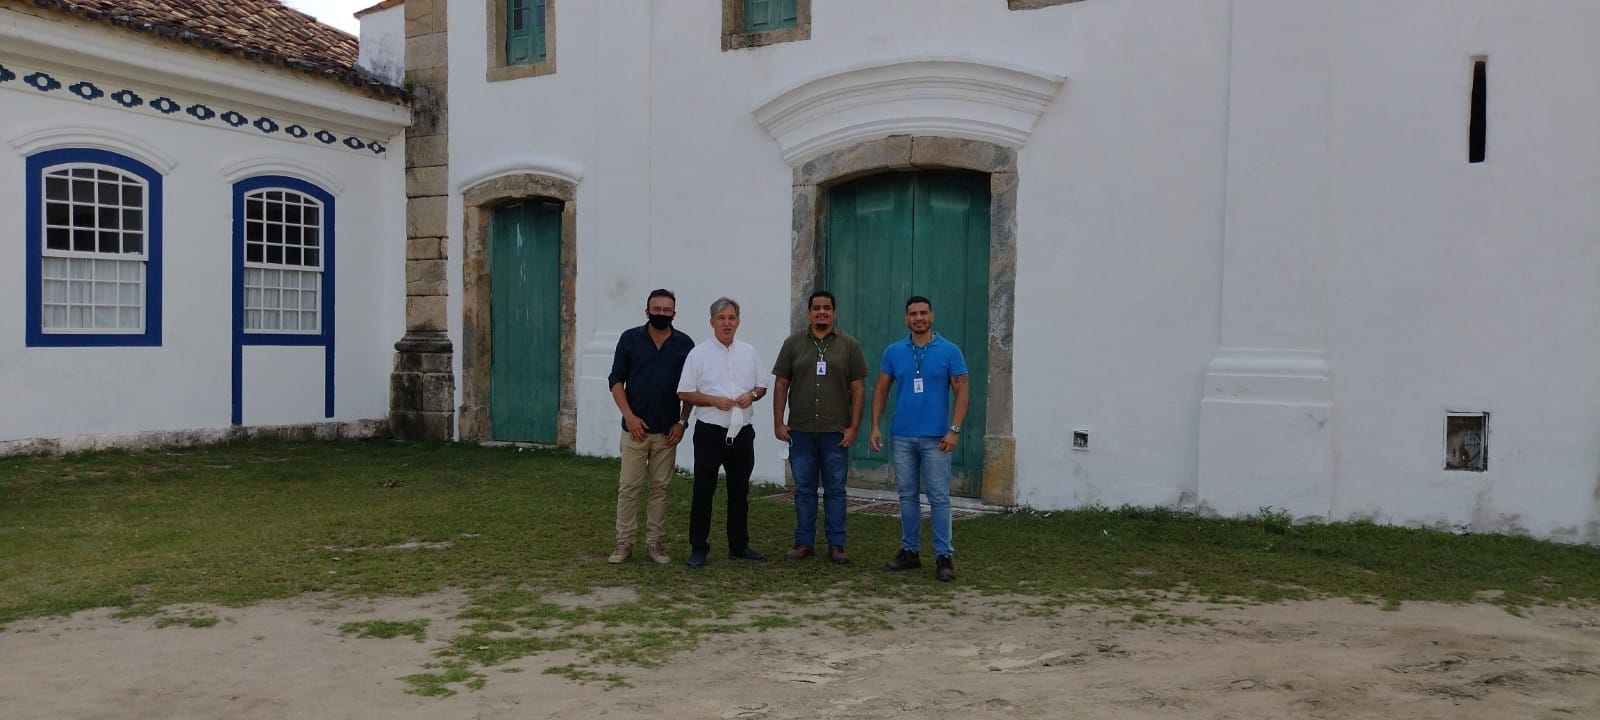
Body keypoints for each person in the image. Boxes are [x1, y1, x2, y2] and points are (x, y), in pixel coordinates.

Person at [868, 295, 969, 582]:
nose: (918, 318)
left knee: (939, 497)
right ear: (906, 319)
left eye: (923, 313)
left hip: (937, 438)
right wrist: (875, 425)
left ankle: (943, 556)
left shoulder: (950, 351)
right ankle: (909, 551)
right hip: (902, 436)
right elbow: (881, 389)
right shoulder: (894, 351)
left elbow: (962, 391)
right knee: (907, 496)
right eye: (913, 314)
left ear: (932, 316)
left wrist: (954, 430)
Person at [772, 290, 867, 565]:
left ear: (834, 313)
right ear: (809, 313)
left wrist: (854, 427)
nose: (822, 312)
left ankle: (837, 544)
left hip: (836, 432)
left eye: (827, 308)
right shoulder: (793, 344)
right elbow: (781, 384)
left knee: (836, 490)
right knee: (804, 489)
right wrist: (779, 422)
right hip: (800, 430)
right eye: (817, 308)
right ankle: (803, 542)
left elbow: (859, 388)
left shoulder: (850, 346)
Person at [677, 297, 769, 568]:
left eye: (731, 318)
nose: (727, 323)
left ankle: (739, 545)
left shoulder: (749, 352)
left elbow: (762, 386)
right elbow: (684, 392)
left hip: (741, 431)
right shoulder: (698, 354)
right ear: (712, 322)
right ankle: (698, 548)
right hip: (709, 432)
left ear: (738, 322)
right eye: (721, 318)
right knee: (703, 490)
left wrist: (751, 395)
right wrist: (712, 400)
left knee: (739, 491)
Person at [607, 289, 695, 565]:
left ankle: (655, 544)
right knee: (629, 488)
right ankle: (624, 543)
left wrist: (682, 422)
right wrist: (629, 417)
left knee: (660, 489)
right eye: (655, 309)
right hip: (635, 430)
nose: (661, 314)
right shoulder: (630, 339)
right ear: (647, 311)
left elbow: (690, 388)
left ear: (674, 314)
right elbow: (615, 381)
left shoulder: (685, 344)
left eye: (666, 310)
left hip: (667, 432)